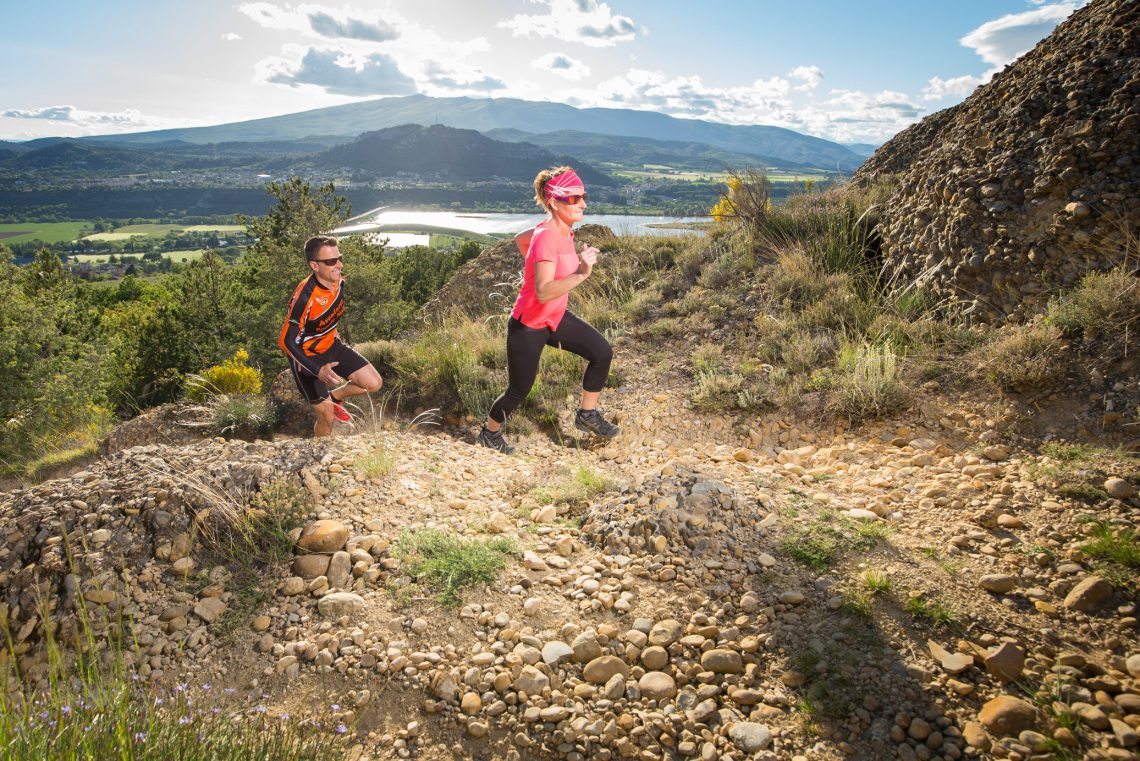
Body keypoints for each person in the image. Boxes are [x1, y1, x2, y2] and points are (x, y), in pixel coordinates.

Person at [479, 166, 620, 454]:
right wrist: (581, 273)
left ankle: (587, 415)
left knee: (601, 352)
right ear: (554, 202)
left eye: (583, 196)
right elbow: (543, 292)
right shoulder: (546, 238)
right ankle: (489, 433)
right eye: (573, 198)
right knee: (518, 391)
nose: (583, 203)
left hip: (555, 318)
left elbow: (520, 239)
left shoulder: (560, 230)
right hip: (529, 326)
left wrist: (532, 266)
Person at [279, 235, 382, 437]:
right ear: (314, 266)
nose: (339, 265)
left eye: (339, 258)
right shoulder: (305, 297)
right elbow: (286, 341)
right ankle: (319, 454)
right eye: (331, 261)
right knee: (327, 416)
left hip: (331, 345)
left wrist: (334, 333)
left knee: (373, 383)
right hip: (308, 358)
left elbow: (328, 312)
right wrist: (317, 370)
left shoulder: (338, 280)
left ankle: (336, 396)